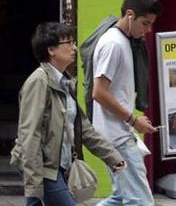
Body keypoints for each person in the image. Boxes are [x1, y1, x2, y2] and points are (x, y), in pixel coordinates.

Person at [12, 22, 126, 206]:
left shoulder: (65, 83)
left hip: (62, 168)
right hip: (45, 170)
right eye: (69, 43)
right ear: (51, 50)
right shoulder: (39, 82)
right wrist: (34, 183)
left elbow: (84, 129)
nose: (74, 47)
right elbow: (29, 134)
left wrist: (112, 156)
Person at [92, 0, 162, 206]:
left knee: (120, 198)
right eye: (145, 23)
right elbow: (99, 92)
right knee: (140, 201)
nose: (147, 30)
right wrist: (133, 120)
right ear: (130, 15)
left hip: (116, 133)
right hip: (117, 137)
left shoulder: (121, 41)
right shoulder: (114, 44)